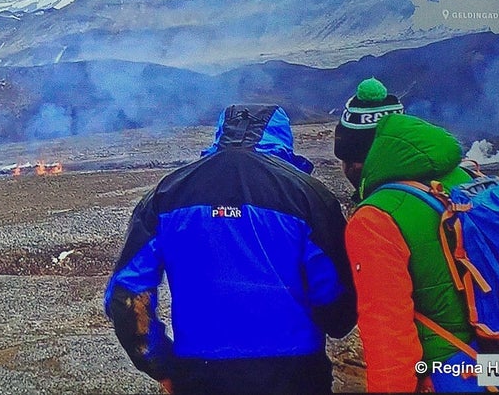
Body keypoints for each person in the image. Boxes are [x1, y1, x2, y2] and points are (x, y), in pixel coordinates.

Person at [104, 104, 357, 395]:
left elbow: (127, 293)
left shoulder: (167, 194)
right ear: (283, 139)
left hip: (201, 375)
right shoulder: (308, 195)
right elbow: (336, 302)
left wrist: (162, 365)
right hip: (294, 375)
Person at [339, 112, 480, 392]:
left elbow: (388, 337)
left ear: (357, 163)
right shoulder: (466, 177)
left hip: (451, 372)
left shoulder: (377, 217)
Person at [333, 77, 405, 192]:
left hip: (361, 167)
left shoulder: (352, 116)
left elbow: (341, 150)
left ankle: (363, 194)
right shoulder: (397, 113)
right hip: (398, 163)